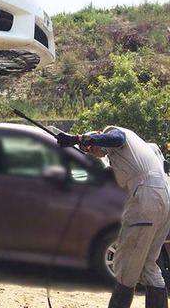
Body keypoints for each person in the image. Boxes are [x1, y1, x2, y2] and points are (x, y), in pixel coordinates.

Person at [57, 127, 170, 308]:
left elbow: (115, 138)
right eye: (89, 151)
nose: (92, 151)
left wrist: (79, 139)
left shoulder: (115, 133)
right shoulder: (131, 154)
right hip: (164, 200)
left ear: (99, 136)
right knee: (148, 264)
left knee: (125, 267)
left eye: (92, 147)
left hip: (147, 197)